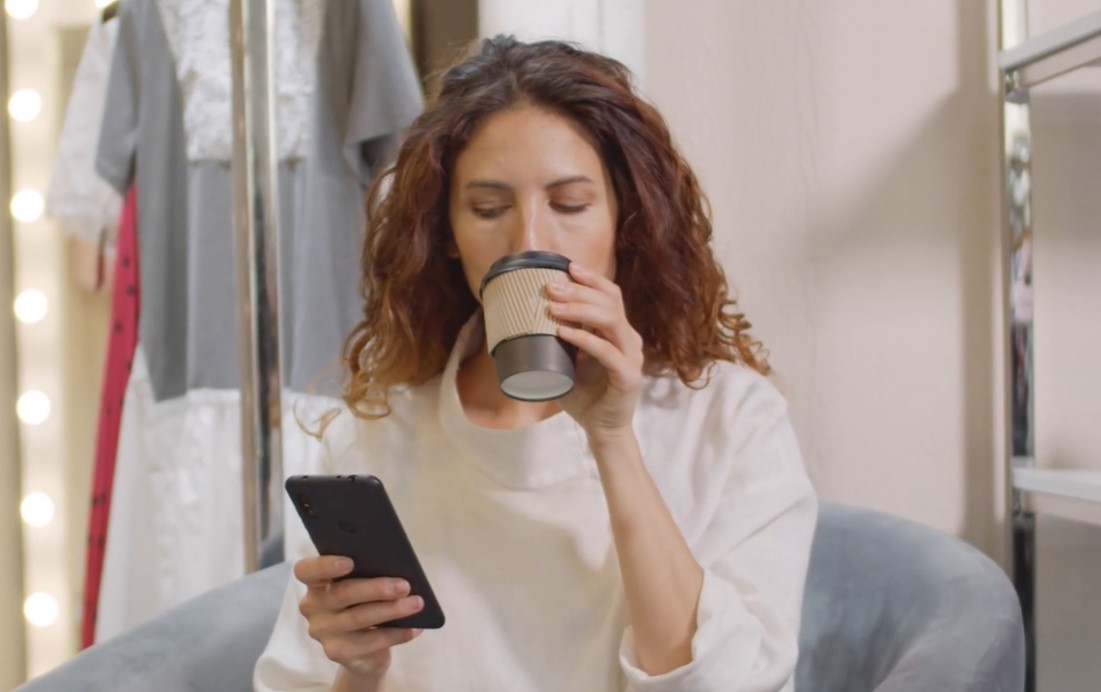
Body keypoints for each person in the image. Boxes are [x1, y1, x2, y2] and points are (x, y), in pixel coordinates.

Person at [253, 36, 818, 692]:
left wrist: (612, 439)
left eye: (570, 205)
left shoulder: (730, 419)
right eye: (488, 209)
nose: (529, 241)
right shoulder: (376, 437)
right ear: (448, 237)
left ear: (626, 223)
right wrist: (358, 670)